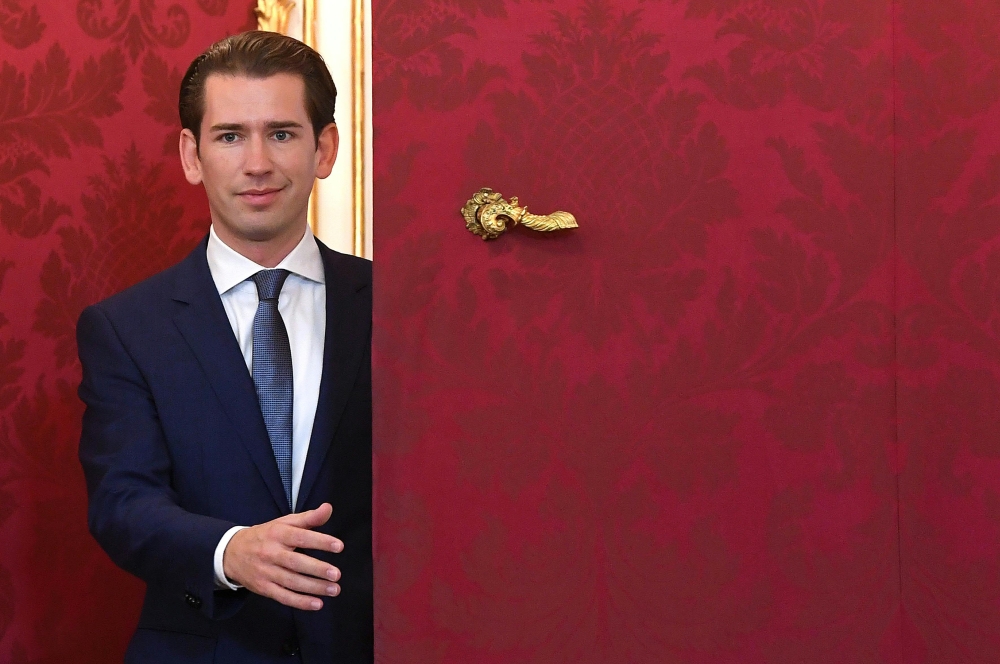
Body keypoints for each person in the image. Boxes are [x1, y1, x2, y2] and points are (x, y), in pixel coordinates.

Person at [77, 31, 373, 663]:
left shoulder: (396, 307)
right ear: (192, 155)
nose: (258, 162)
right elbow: (122, 504)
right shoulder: (126, 328)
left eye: (283, 134)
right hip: (205, 647)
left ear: (326, 148)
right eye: (231, 135)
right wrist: (229, 550)